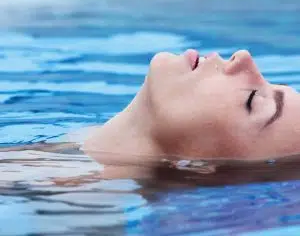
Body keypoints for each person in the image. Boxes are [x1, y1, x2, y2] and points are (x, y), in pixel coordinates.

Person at [83, 49, 300, 173]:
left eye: (252, 99)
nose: (243, 58)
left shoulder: (78, 208)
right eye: (271, 83)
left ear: (198, 165)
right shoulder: (73, 145)